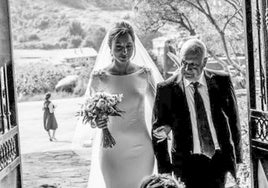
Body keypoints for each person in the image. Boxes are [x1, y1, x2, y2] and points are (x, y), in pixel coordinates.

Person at [72, 21, 163, 188]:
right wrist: (96, 122)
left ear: (134, 45)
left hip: (141, 148)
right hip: (111, 149)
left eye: (129, 45)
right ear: (110, 47)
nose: (125, 51)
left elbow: (159, 111)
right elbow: (90, 115)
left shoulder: (145, 74)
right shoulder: (100, 77)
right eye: (119, 46)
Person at [152, 38, 242, 188]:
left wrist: (237, 159)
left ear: (204, 62)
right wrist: (165, 174)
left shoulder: (222, 81)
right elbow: (157, 135)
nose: (186, 69)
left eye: (193, 64)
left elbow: (234, 121)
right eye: (183, 63)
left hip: (219, 160)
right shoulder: (166, 89)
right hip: (186, 164)